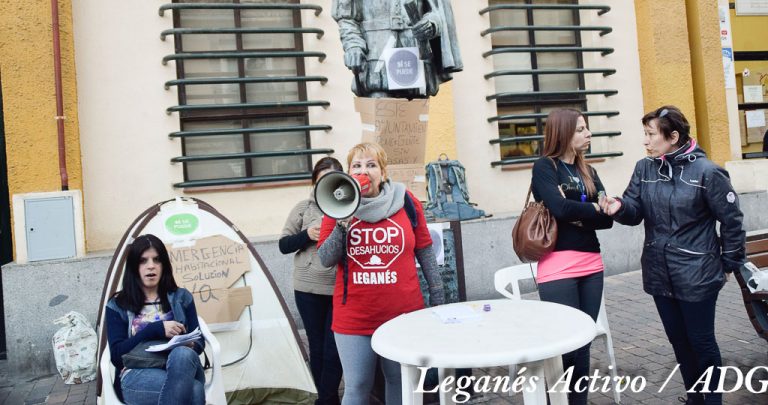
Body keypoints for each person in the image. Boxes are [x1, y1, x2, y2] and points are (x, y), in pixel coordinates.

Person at [600, 106, 745, 405]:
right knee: (678, 341)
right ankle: (695, 398)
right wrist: (619, 208)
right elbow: (634, 210)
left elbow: (732, 221)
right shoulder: (645, 168)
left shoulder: (707, 172)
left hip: (697, 272)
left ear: (673, 136)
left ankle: (712, 400)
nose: (646, 141)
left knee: (701, 342)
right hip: (658, 271)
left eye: (651, 134)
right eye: (646, 134)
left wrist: (729, 263)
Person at [317, 142, 444, 404]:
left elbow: (425, 250)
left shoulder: (406, 202)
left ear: (383, 173)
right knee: (357, 386)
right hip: (354, 318)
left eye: (371, 165)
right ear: (349, 173)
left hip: (403, 315)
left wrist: (438, 297)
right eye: (357, 165)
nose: (364, 171)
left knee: (400, 381)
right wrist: (343, 222)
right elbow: (325, 259)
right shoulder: (336, 202)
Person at [530, 108, 613, 405]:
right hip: (558, 266)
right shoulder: (544, 168)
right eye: (580, 129)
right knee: (564, 343)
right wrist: (590, 209)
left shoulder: (589, 172)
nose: (588, 134)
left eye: (587, 128)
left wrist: (581, 212)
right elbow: (559, 209)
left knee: (583, 342)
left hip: (591, 263)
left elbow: (608, 220)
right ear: (563, 132)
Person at [105, 234, 205, 405]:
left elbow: (200, 343)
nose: (151, 266)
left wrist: (190, 343)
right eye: (143, 261)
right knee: (194, 390)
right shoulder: (118, 304)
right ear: (134, 267)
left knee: (182, 354)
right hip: (137, 373)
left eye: (156, 260)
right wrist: (154, 329)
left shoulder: (182, 297)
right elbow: (116, 356)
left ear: (164, 265)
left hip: (180, 366)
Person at [279, 157, 345, 405]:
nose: (326, 186)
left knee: (334, 348)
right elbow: (283, 245)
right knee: (317, 347)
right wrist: (306, 234)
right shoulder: (303, 208)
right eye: (321, 181)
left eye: (332, 180)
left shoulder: (350, 205)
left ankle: (327, 398)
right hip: (308, 288)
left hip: (339, 288)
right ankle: (325, 398)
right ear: (314, 183)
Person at [331, 0, 462, 98]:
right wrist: (353, 45)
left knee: (415, 127)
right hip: (376, 59)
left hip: (415, 58)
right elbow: (346, 18)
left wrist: (431, 24)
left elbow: (437, 12)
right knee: (382, 122)